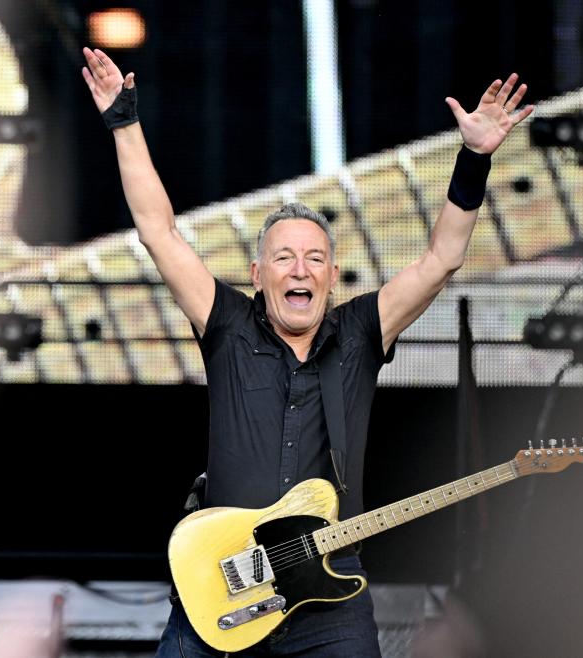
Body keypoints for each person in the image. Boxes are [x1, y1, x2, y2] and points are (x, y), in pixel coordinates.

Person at [81, 46, 532, 657]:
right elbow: (157, 229)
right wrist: (123, 122)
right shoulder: (227, 324)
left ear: (333, 273)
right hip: (224, 588)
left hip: (329, 600)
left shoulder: (360, 332)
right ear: (258, 272)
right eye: (285, 258)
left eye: (315, 258)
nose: (301, 269)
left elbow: (441, 260)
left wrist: (474, 158)